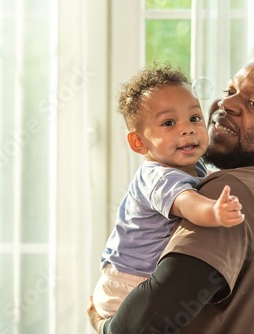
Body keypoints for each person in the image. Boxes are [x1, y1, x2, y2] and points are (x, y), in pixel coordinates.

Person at [88, 54, 254, 333]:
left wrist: (102, 324)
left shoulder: (231, 193)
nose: (226, 104)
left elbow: (142, 325)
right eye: (229, 91)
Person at [93, 62, 245, 320]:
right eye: (169, 122)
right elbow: (188, 203)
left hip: (138, 276)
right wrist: (215, 212)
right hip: (127, 282)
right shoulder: (159, 176)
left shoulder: (195, 166)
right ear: (139, 142)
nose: (187, 128)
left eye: (194, 118)